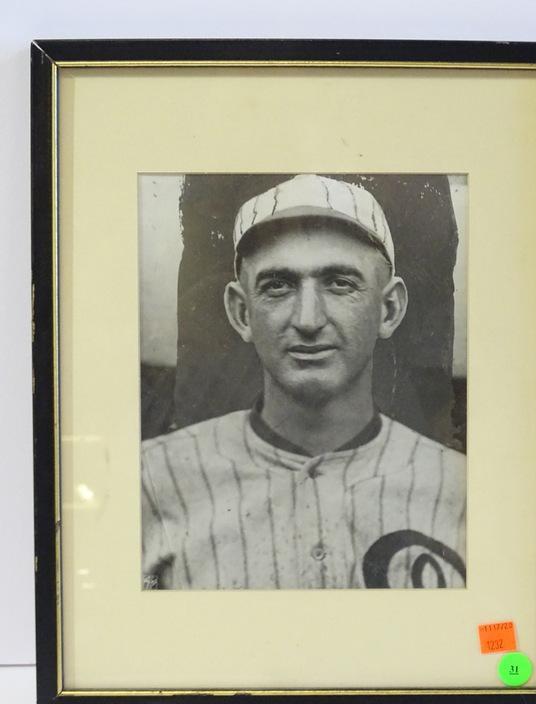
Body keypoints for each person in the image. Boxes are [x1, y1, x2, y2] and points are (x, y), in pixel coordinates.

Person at [141, 174, 466, 591]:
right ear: (241, 312)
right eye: (278, 285)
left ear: (388, 309)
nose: (308, 320)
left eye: (339, 283)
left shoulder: (462, 491)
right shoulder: (150, 480)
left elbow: (501, 645)